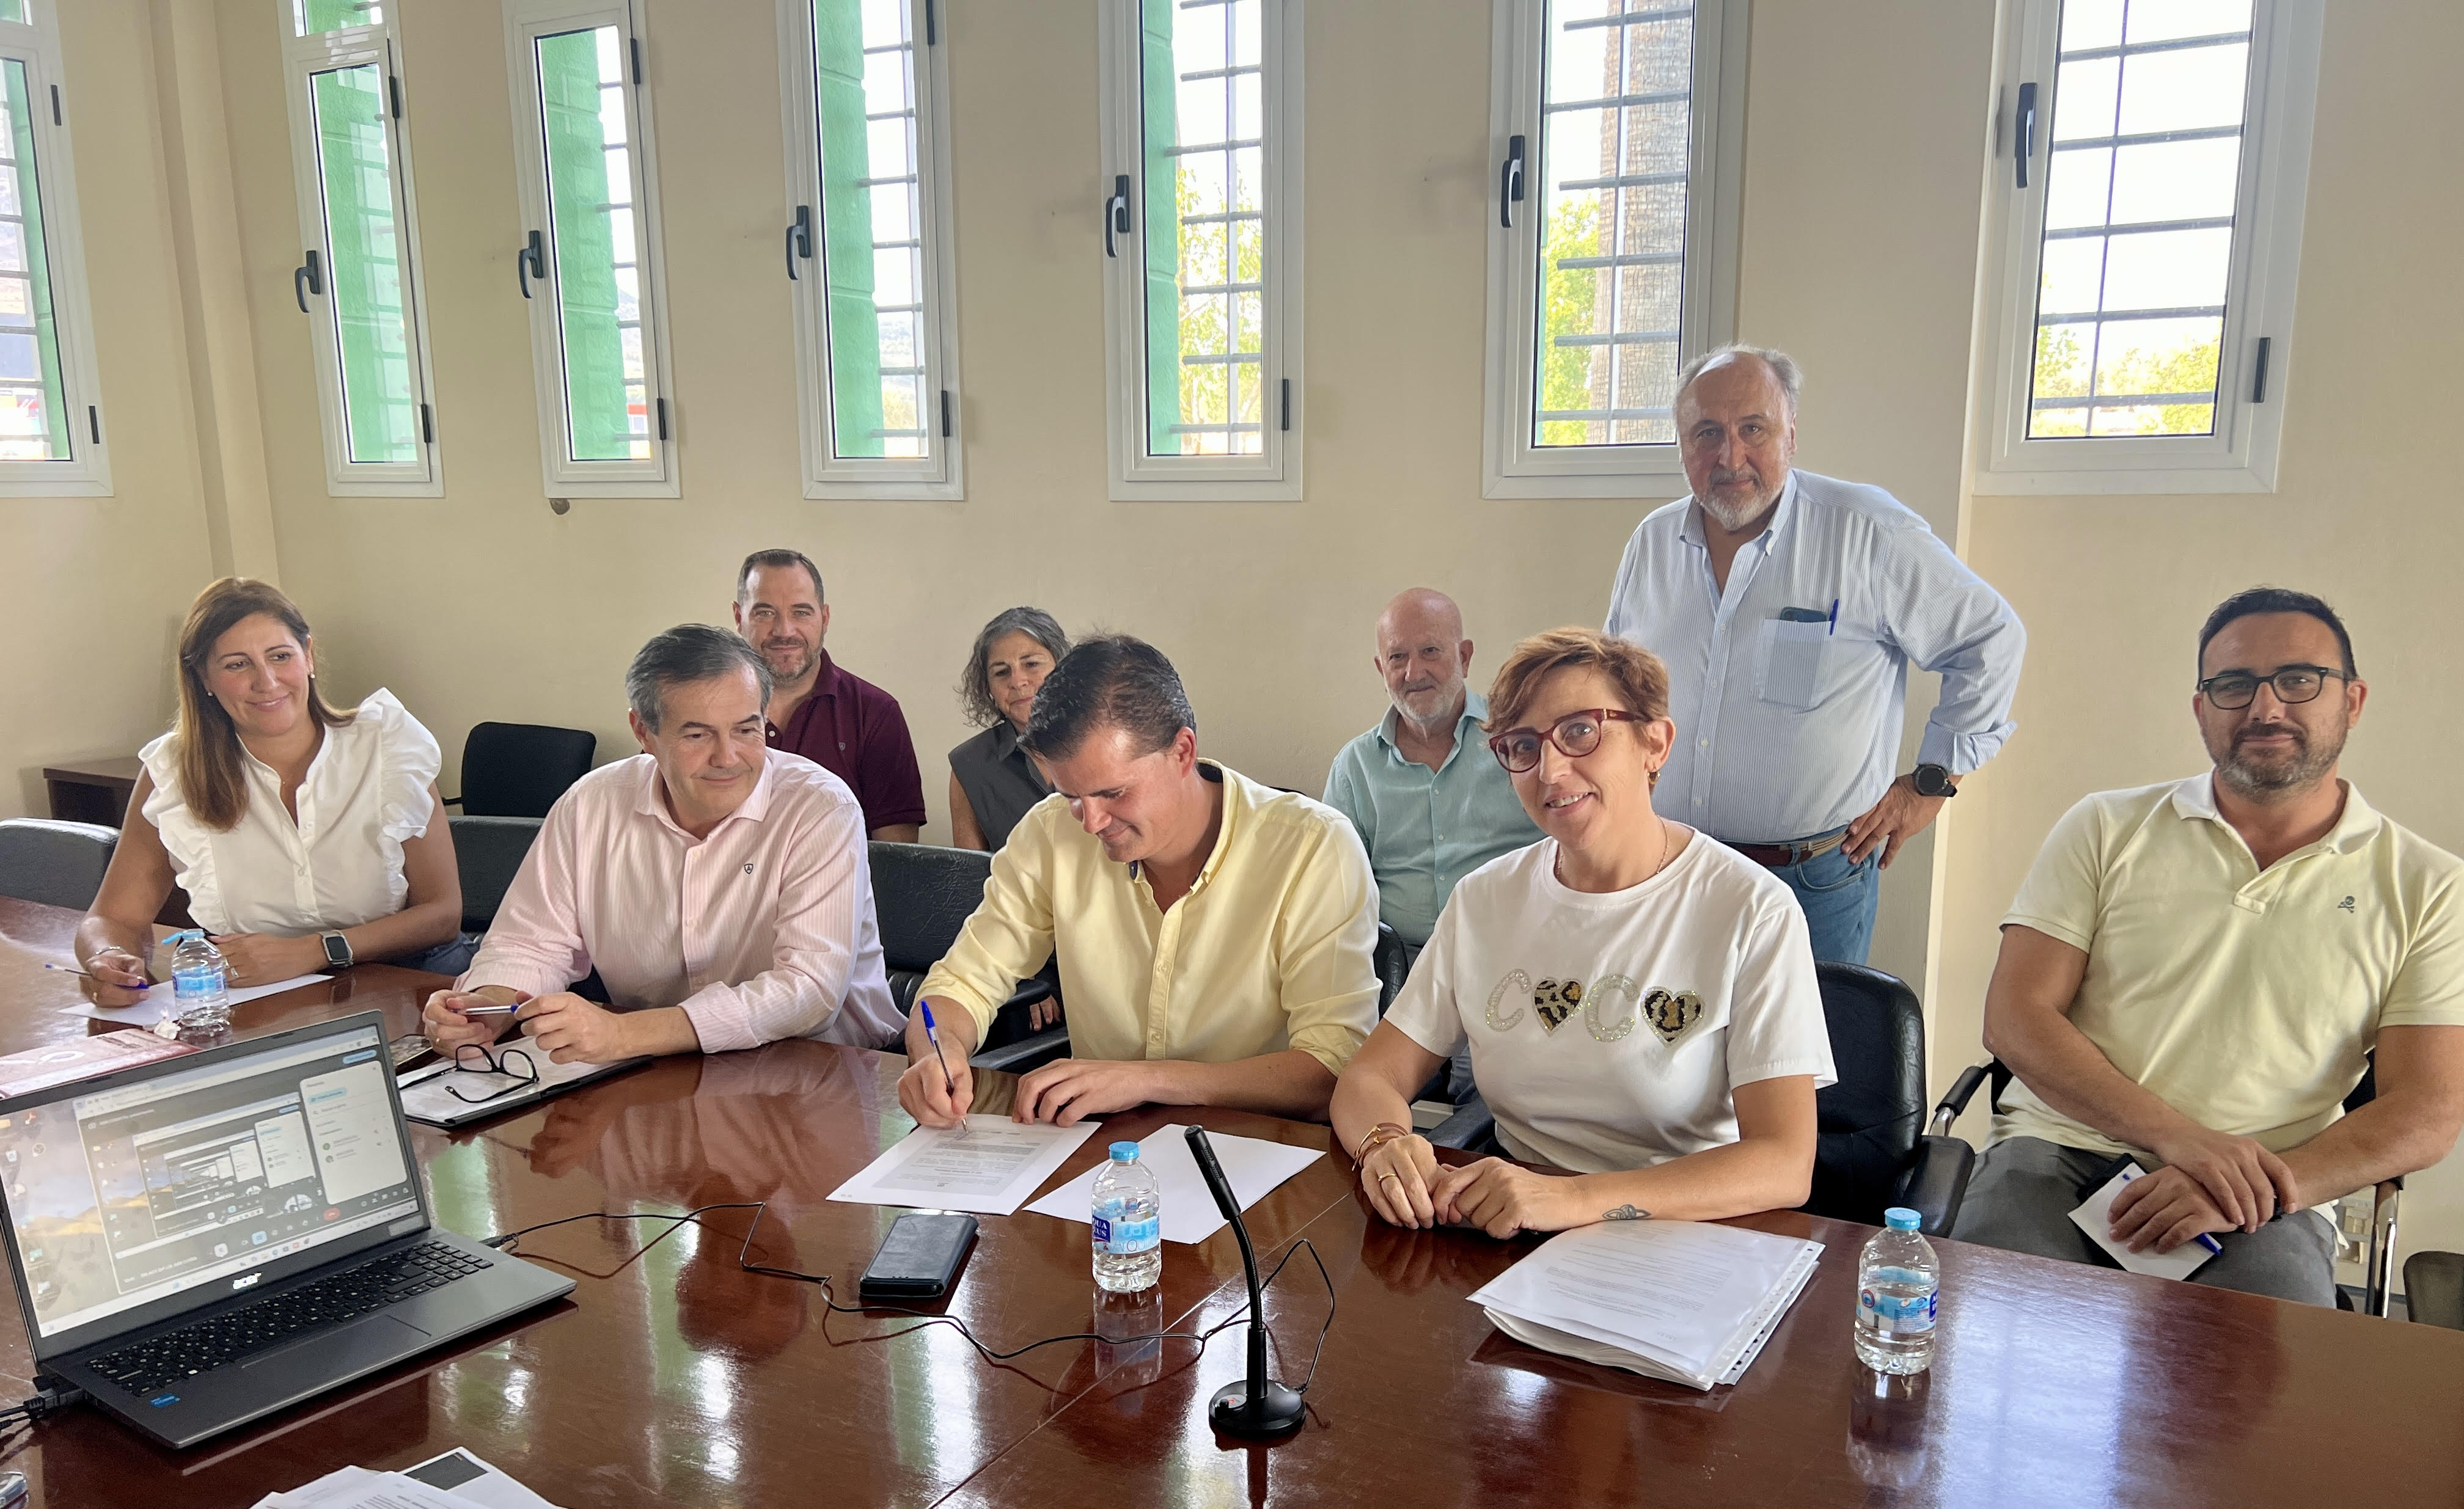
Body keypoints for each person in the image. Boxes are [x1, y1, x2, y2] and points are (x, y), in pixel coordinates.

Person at [1952, 590, 2464, 1306]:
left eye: (2298, 679)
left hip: (2268, 1188)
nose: (2265, 707)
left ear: (2353, 701)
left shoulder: (2429, 885)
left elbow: (2428, 1107)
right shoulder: (2105, 826)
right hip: (2063, 1150)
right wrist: (2181, 1139)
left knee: (2255, 1368)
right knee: (1998, 1333)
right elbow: (2016, 1017)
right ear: (2201, 709)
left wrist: (2257, 1184)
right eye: (2233, 684)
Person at [1330, 628, 1833, 1238]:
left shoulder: (1751, 908)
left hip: (1684, 1233)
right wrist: (1384, 1143)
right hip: (1511, 1228)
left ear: (1655, 743)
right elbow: (1371, 1077)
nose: (1550, 770)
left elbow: (1783, 1162)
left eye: (1579, 732)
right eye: (1522, 746)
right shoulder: (1485, 899)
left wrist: (1573, 1199)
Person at [1602, 344, 2025, 964]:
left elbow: (1991, 639)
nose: (1730, 456)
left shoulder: (1867, 532)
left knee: (1813, 1033)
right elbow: (1616, 687)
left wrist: (1932, 783)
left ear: (1791, 434)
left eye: (1753, 429)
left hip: (1811, 884)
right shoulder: (1652, 543)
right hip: (1668, 868)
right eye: (1707, 433)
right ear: (1682, 444)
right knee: (1666, 1029)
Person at [896, 635, 1380, 1128]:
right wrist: (937, 1052)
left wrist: (1148, 1080)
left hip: (1264, 1148)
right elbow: (961, 983)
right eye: (1070, 795)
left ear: (1183, 752)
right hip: (1101, 1151)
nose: (1091, 822)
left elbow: (1331, 1069)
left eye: (1113, 793)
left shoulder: (1313, 846)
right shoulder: (1050, 832)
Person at [421, 624, 903, 1064]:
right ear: (643, 733)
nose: (727, 757)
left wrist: (626, 1034)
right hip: (660, 1067)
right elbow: (530, 944)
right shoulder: (590, 805)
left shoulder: (819, 807)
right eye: (697, 735)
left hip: (828, 1068)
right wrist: (486, 1008)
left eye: (746, 729)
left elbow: (810, 990)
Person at [75, 578, 466, 999]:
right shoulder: (174, 770)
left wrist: (315, 950)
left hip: (411, 982)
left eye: (280, 656)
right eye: (236, 665)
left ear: (308, 656)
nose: (266, 682)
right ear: (204, 678)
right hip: (265, 998)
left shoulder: (389, 745)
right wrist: (108, 957)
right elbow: (111, 919)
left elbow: (442, 914)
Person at [1324, 587, 1542, 956]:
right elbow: (1336, 892)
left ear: (1464, 657)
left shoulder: (1520, 740)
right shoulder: (1355, 767)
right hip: (1401, 968)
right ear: (1381, 669)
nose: (1414, 672)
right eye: (1397, 657)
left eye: (1430, 651)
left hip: (1519, 955)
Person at [731, 547, 925, 842]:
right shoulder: (702, 709)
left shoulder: (875, 713)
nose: (784, 630)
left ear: (824, 618)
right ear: (739, 617)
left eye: (801, 612)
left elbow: (895, 857)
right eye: (765, 613)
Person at [948, 606, 1068, 852]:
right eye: (1002, 672)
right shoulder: (970, 765)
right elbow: (970, 870)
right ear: (988, 688)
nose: (1018, 681)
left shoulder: (1105, 743)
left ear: (1063, 667)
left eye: (1031, 664)